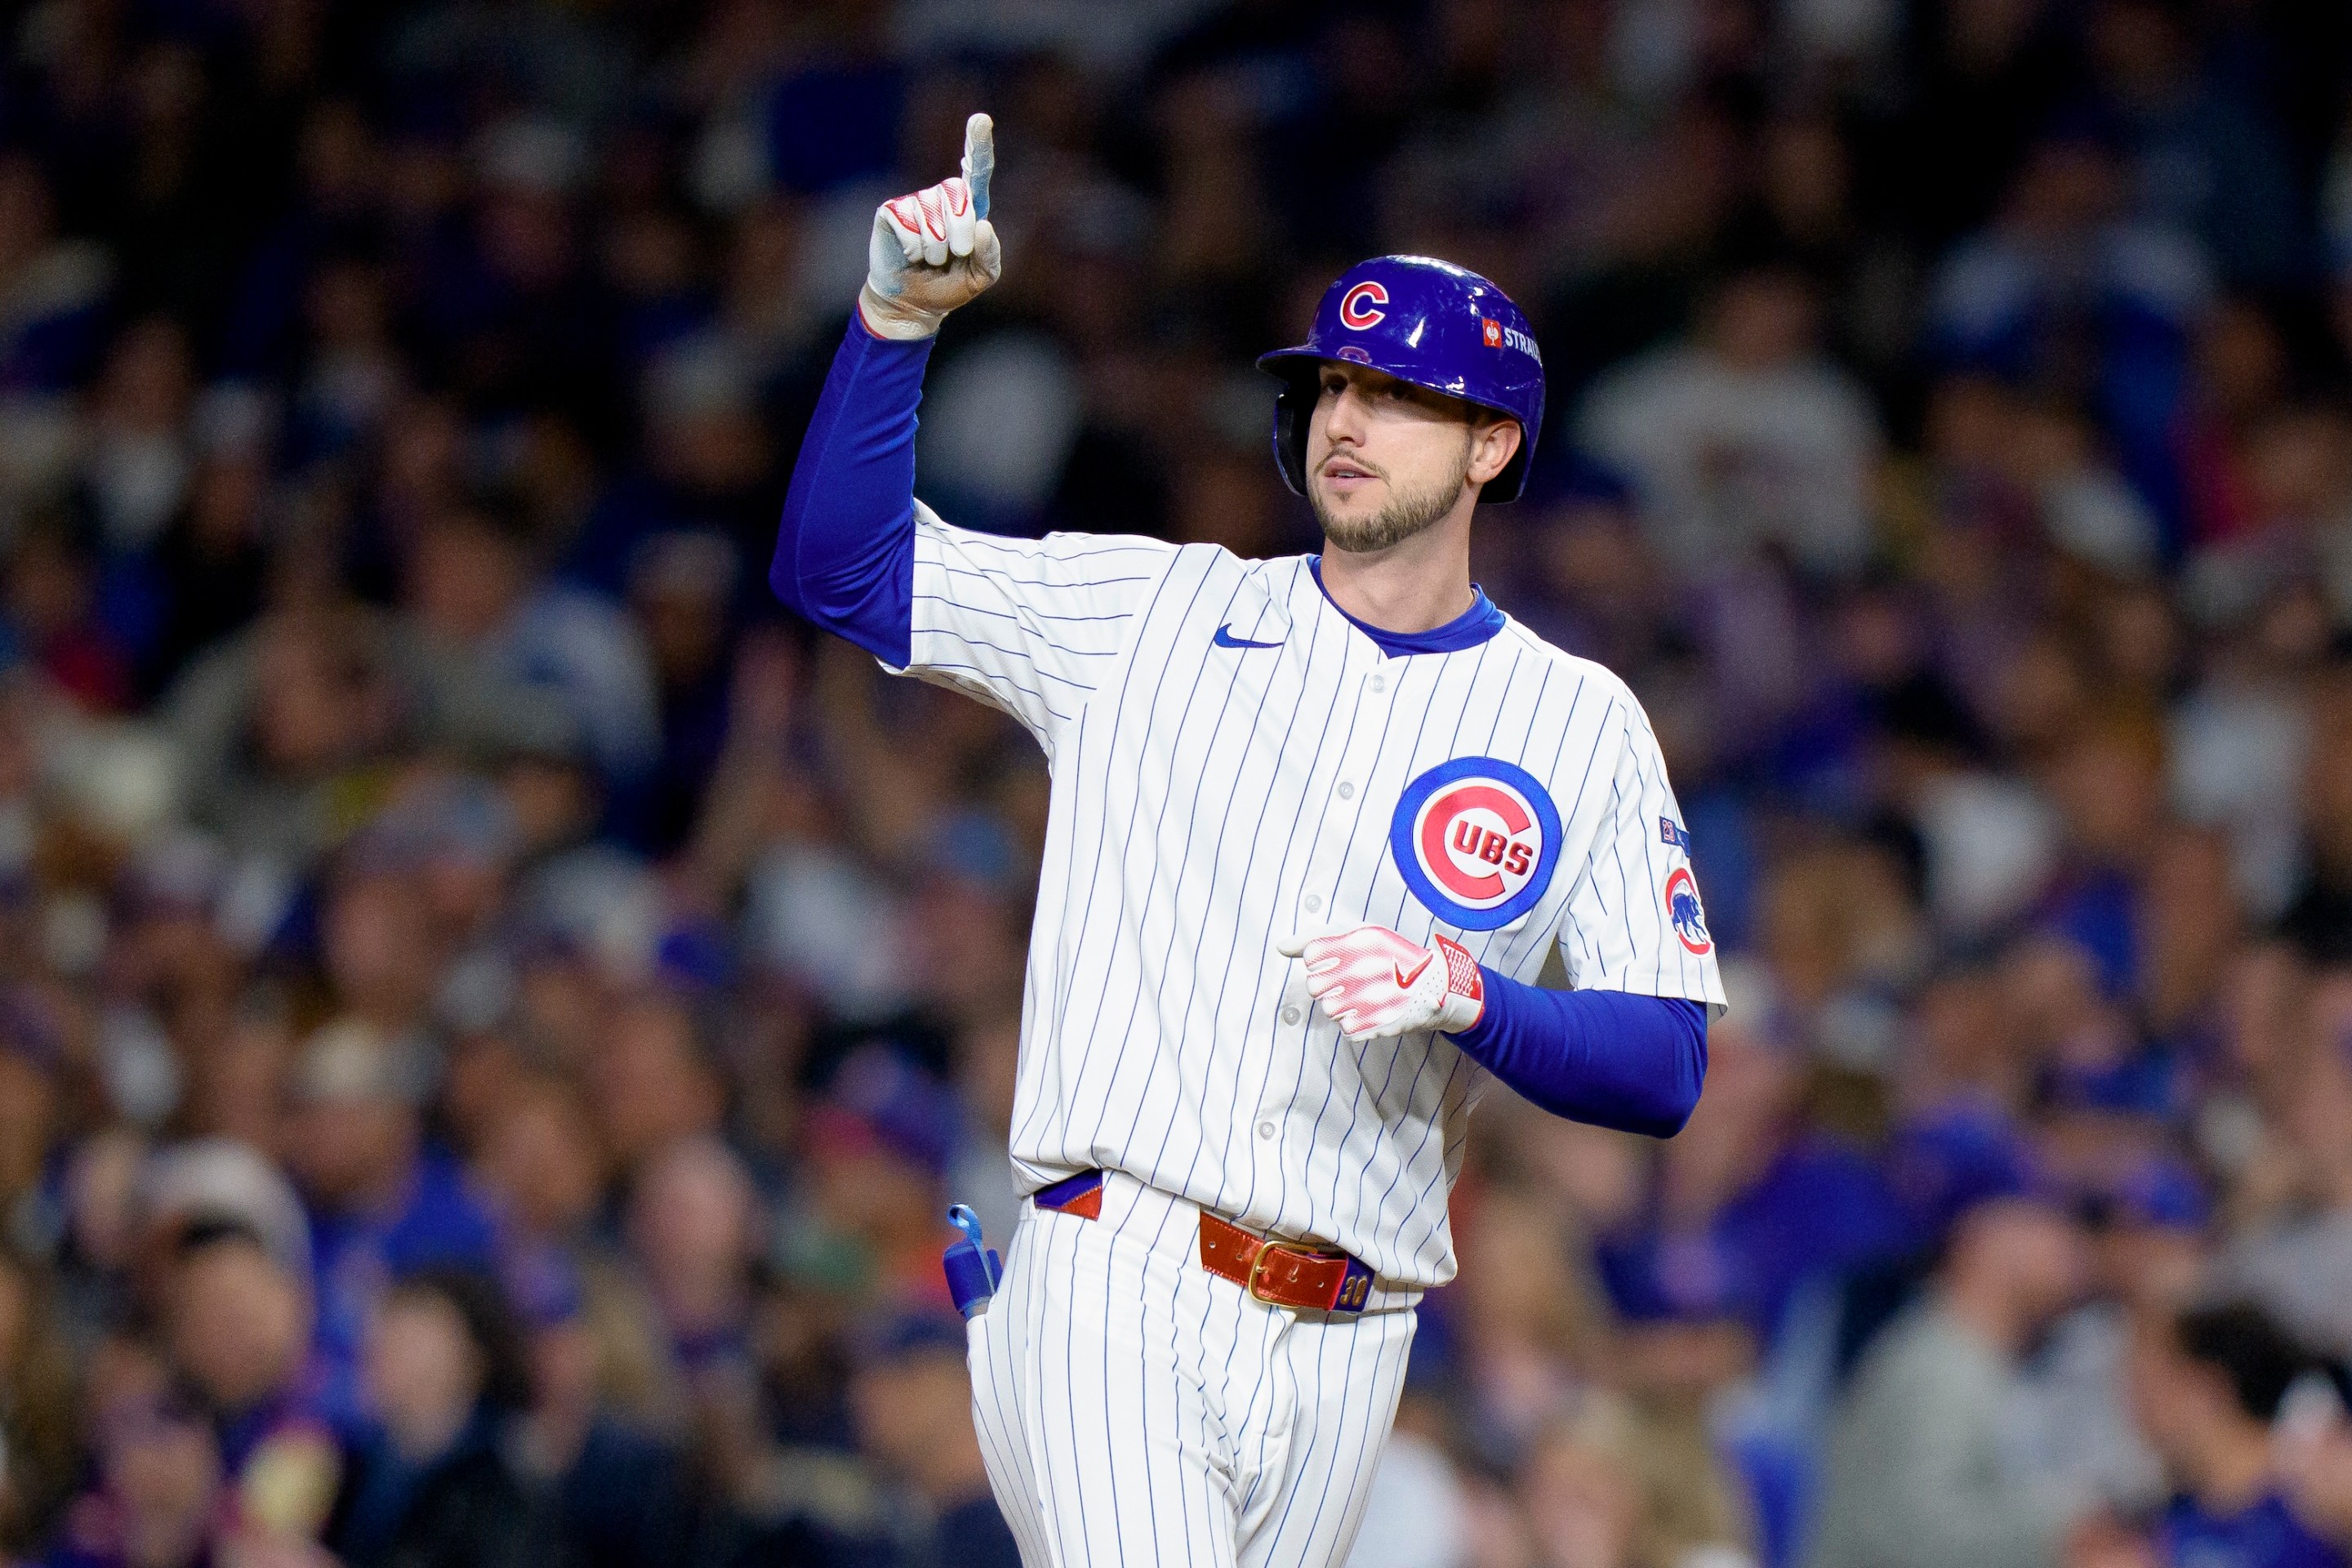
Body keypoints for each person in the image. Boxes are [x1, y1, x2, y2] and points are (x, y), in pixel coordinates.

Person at [773, 114, 1721, 1566]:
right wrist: (894, 323)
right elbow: (843, 566)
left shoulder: (1575, 719)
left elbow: (1664, 1067)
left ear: (1492, 442)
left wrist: (1474, 998)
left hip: (1355, 1333)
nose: (1344, 419)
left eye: (1397, 394)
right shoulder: (1149, 613)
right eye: (1332, 384)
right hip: (1118, 1272)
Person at [1807, 1196, 2092, 1568]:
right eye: (2044, 1226)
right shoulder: (1937, 1368)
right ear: (1985, 1237)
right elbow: (1917, 1531)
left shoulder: (1973, 1356)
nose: (2070, 1250)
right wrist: (2066, 1523)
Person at [2127, 1301, 2349, 1568]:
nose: (2137, 1404)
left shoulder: (2321, 1491)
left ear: (2206, 1387)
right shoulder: (2171, 1526)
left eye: (2151, 1383)